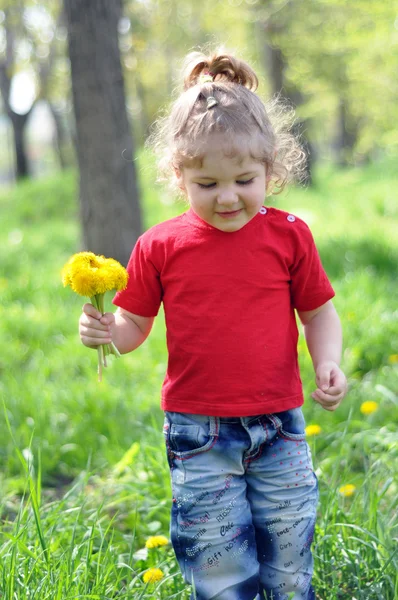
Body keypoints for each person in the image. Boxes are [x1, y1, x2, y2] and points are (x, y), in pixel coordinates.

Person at [79, 49, 347, 600]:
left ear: (271, 169)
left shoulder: (290, 235)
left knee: (291, 547)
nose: (228, 197)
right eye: (207, 184)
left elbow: (317, 310)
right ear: (180, 177)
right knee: (217, 557)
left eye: (244, 180)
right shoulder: (160, 245)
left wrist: (328, 361)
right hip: (199, 433)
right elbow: (135, 325)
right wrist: (109, 331)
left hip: (279, 426)